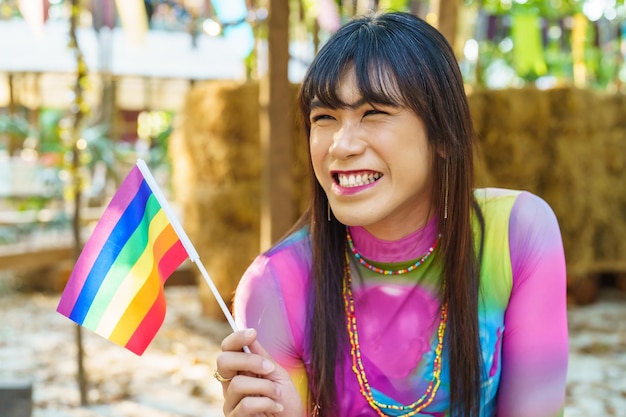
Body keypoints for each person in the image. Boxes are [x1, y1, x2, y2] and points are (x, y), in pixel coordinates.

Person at [214, 11, 568, 417]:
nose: (341, 145)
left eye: (374, 113)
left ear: (442, 135)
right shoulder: (276, 284)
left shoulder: (516, 237)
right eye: (324, 117)